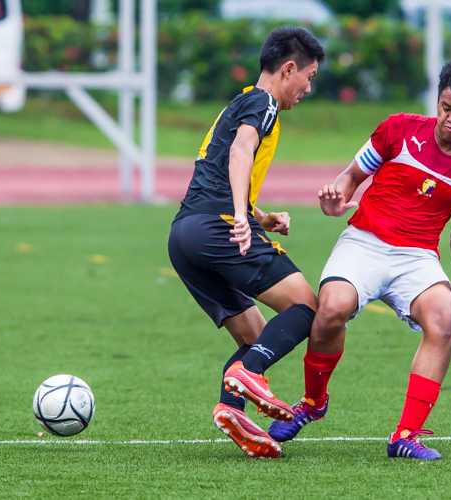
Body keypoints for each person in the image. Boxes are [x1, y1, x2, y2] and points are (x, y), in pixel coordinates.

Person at [268, 58, 451, 460]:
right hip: (364, 241)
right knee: (330, 311)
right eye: (445, 107)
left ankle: (406, 435)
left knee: (444, 320)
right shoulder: (399, 128)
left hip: (418, 257)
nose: (450, 119)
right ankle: (312, 402)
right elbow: (350, 179)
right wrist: (336, 200)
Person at [168, 27, 325, 459]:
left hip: (185, 234)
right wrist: (240, 215)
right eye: (308, 77)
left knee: (255, 336)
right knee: (308, 307)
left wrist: (259, 216)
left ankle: (232, 408)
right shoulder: (264, 102)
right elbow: (240, 151)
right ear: (288, 69)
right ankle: (250, 375)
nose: (308, 88)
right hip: (219, 228)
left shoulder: (238, 102)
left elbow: (216, 172)